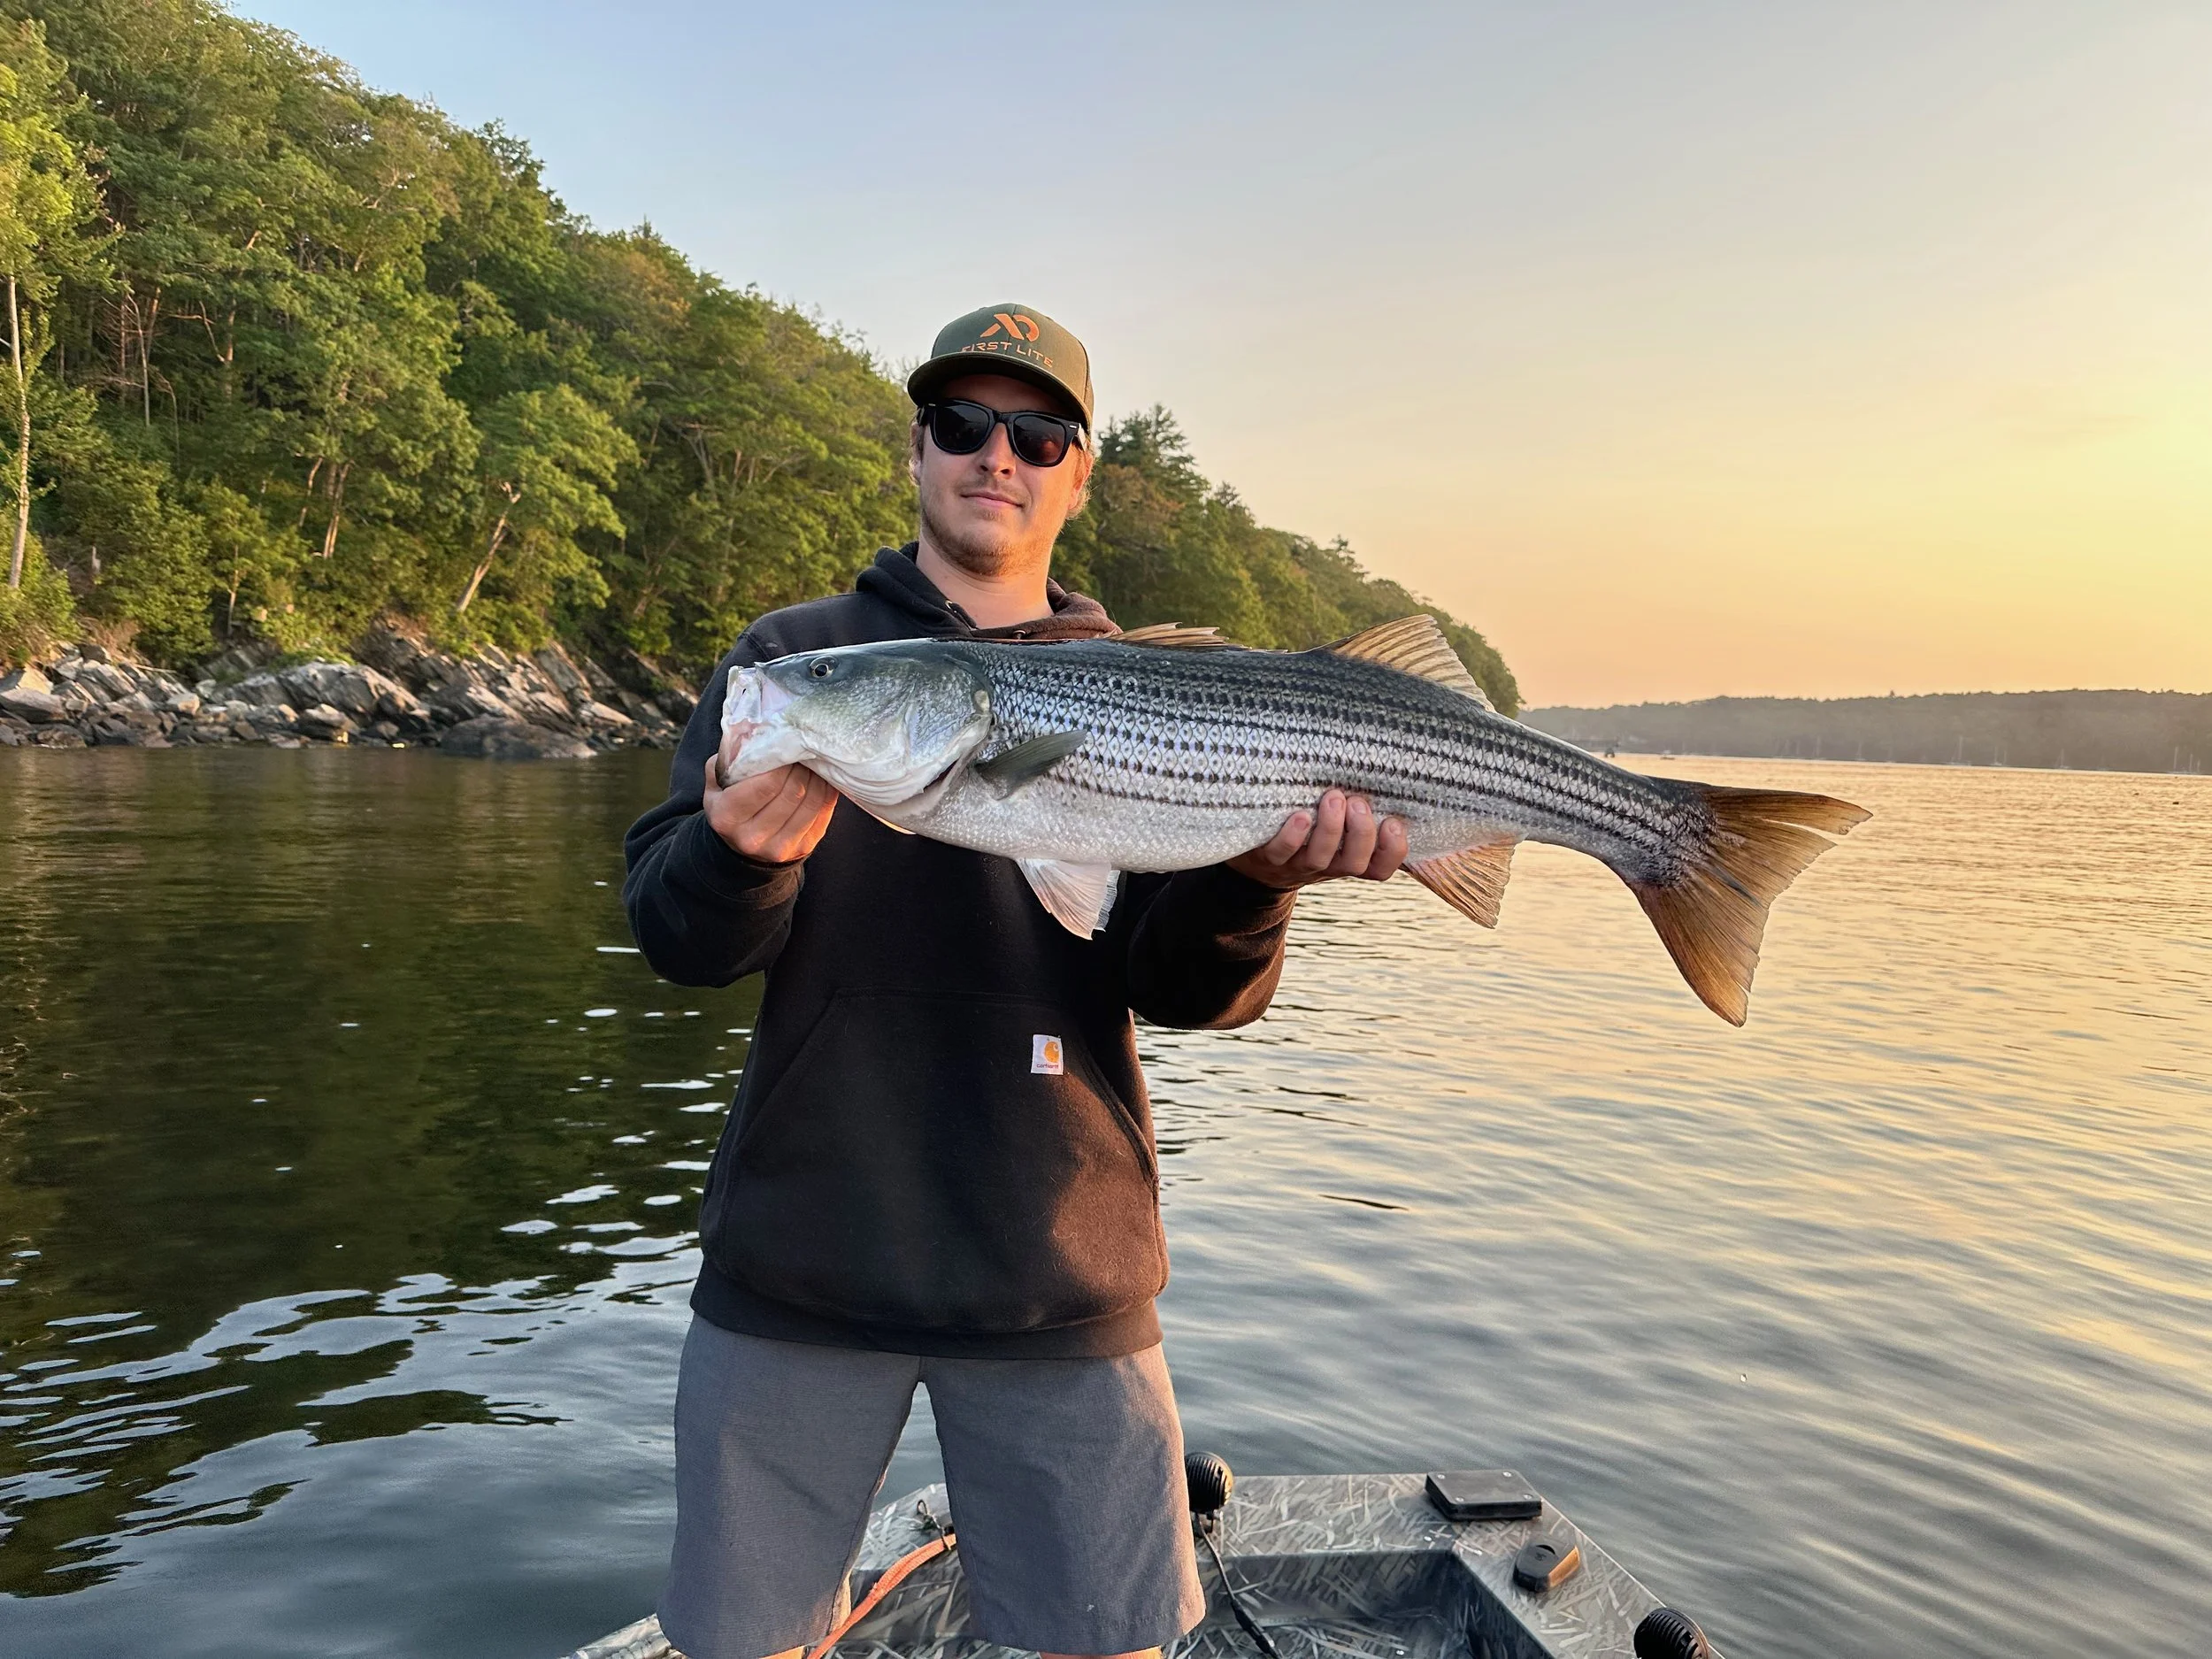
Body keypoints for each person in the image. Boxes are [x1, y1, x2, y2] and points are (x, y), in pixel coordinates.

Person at [624, 303, 1408, 1659]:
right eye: (965, 422)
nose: (1001, 454)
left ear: (1078, 472)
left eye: (1040, 432)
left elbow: (1190, 991)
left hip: (1061, 1262)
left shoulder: (1167, 682)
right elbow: (681, 938)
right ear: (919, 450)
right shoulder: (791, 659)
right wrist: (737, 858)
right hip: (804, 1251)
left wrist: (1257, 877)